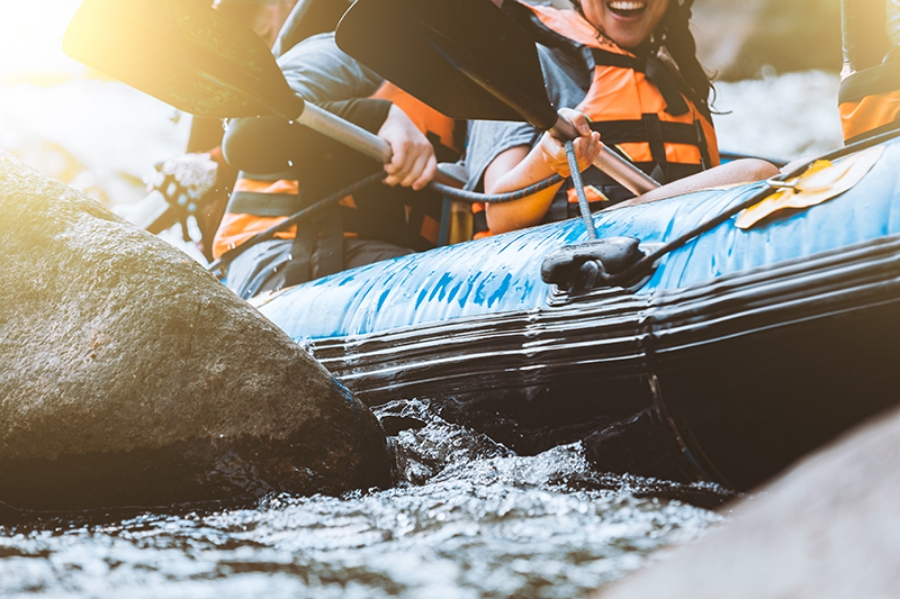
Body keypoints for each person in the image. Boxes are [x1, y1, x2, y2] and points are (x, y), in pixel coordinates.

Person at [465, 0, 779, 236]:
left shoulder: (675, 77)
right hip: (571, 263)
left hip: (672, 262)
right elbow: (500, 218)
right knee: (756, 173)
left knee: (793, 172)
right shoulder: (525, 60)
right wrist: (548, 162)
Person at [213, 31, 462, 299]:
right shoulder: (352, 53)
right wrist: (377, 117)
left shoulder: (484, 105)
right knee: (451, 295)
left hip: (389, 260)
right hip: (282, 256)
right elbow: (249, 132)